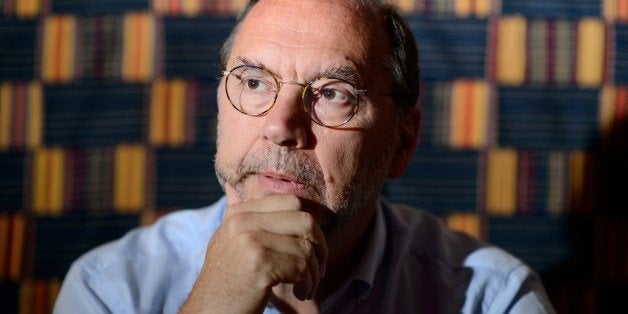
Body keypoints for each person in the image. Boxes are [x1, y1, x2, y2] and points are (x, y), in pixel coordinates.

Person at [54, 0, 555, 313]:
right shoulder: (111, 289)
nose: (280, 126)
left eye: (335, 93)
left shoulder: (493, 299)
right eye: (253, 83)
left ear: (401, 142)